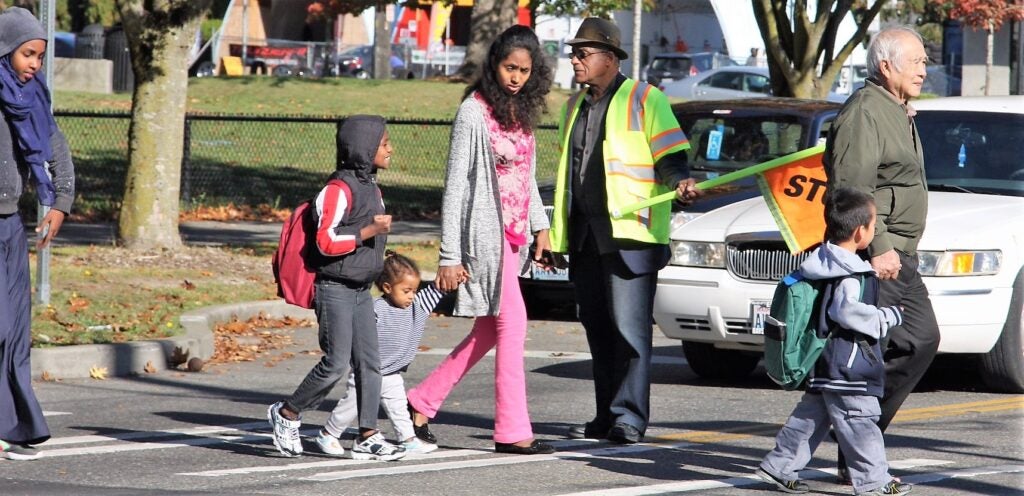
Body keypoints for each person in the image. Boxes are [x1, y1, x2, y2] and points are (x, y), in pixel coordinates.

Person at [405, 25, 556, 456]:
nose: (517, 78)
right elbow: (455, 187)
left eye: (525, 71)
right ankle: (512, 430)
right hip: (481, 237)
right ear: (494, 65)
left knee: (490, 329)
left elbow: (526, 176)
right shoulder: (474, 111)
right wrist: (449, 255)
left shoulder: (520, 109)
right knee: (514, 322)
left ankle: (421, 402)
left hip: (514, 237)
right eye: (510, 68)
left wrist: (540, 226)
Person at [549, 17, 700, 445]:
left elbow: (672, 160)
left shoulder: (645, 99)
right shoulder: (572, 107)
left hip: (630, 236)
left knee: (630, 333)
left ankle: (629, 417)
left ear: (611, 59)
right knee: (598, 331)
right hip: (584, 237)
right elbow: (567, 175)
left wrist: (678, 185)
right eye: (574, 53)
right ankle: (605, 416)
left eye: (584, 53)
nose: (576, 60)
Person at [823, 26, 939, 484]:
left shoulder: (897, 109)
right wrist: (881, 246)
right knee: (868, 356)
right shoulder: (864, 112)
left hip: (901, 255)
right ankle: (856, 452)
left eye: (925, 62)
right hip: (879, 256)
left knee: (920, 341)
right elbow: (851, 192)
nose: (925, 70)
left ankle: (855, 431)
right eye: (917, 62)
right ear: (886, 65)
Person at [755, 187, 912, 496]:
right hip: (850, 362)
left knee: (810, 418)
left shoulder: (820, 261)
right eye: (873, 223)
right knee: (861, 421)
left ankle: (779, 466)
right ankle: (874, 481)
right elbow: (846, 311)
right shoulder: (852, 273)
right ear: (859, 232)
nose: (874, 228)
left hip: (821, 357)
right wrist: (887, 317)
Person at [267, 115, 406, 462]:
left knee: (371, 365)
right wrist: (366, 234)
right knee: (335, 363)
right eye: (384, 143)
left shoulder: (372, 188)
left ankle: (368, 435)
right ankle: (287, 414)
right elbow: (324, 243)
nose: (390, 149)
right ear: (364, 148)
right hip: (334, 288)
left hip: (361, 291)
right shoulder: (336, 190)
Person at [0, 6, 76, 461]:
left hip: (10, 225)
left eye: (40, 56)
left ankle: (14, 424)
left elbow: (55, 146)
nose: (34, 64)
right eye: (27, 54)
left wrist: (60, 202)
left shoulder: (32, 97)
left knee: (12, 332)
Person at [316, 251, 445, 456]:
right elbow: (356, 334)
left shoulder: (418, 306)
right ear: (387, 287)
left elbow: (438, 290)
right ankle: (328, 433)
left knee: (398, 407)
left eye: (415, 290)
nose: (412, 295)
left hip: (392, 372)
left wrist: (452, 277)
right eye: (406, 290)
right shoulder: (375, 309)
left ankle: (408, 439)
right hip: (367, 372)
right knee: (351, 405)